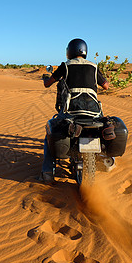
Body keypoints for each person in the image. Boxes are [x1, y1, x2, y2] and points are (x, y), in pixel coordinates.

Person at [39, 38, 109, 183]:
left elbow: (48, 84)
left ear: (69, 51)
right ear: (85, 51)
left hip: (72, 111)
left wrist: (46, 78)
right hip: (93, 111)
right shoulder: (93, 66)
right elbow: (106, 86)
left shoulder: (65, 66)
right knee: (103, 128)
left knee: (49, 135)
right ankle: (109, 160)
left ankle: (47, 172)